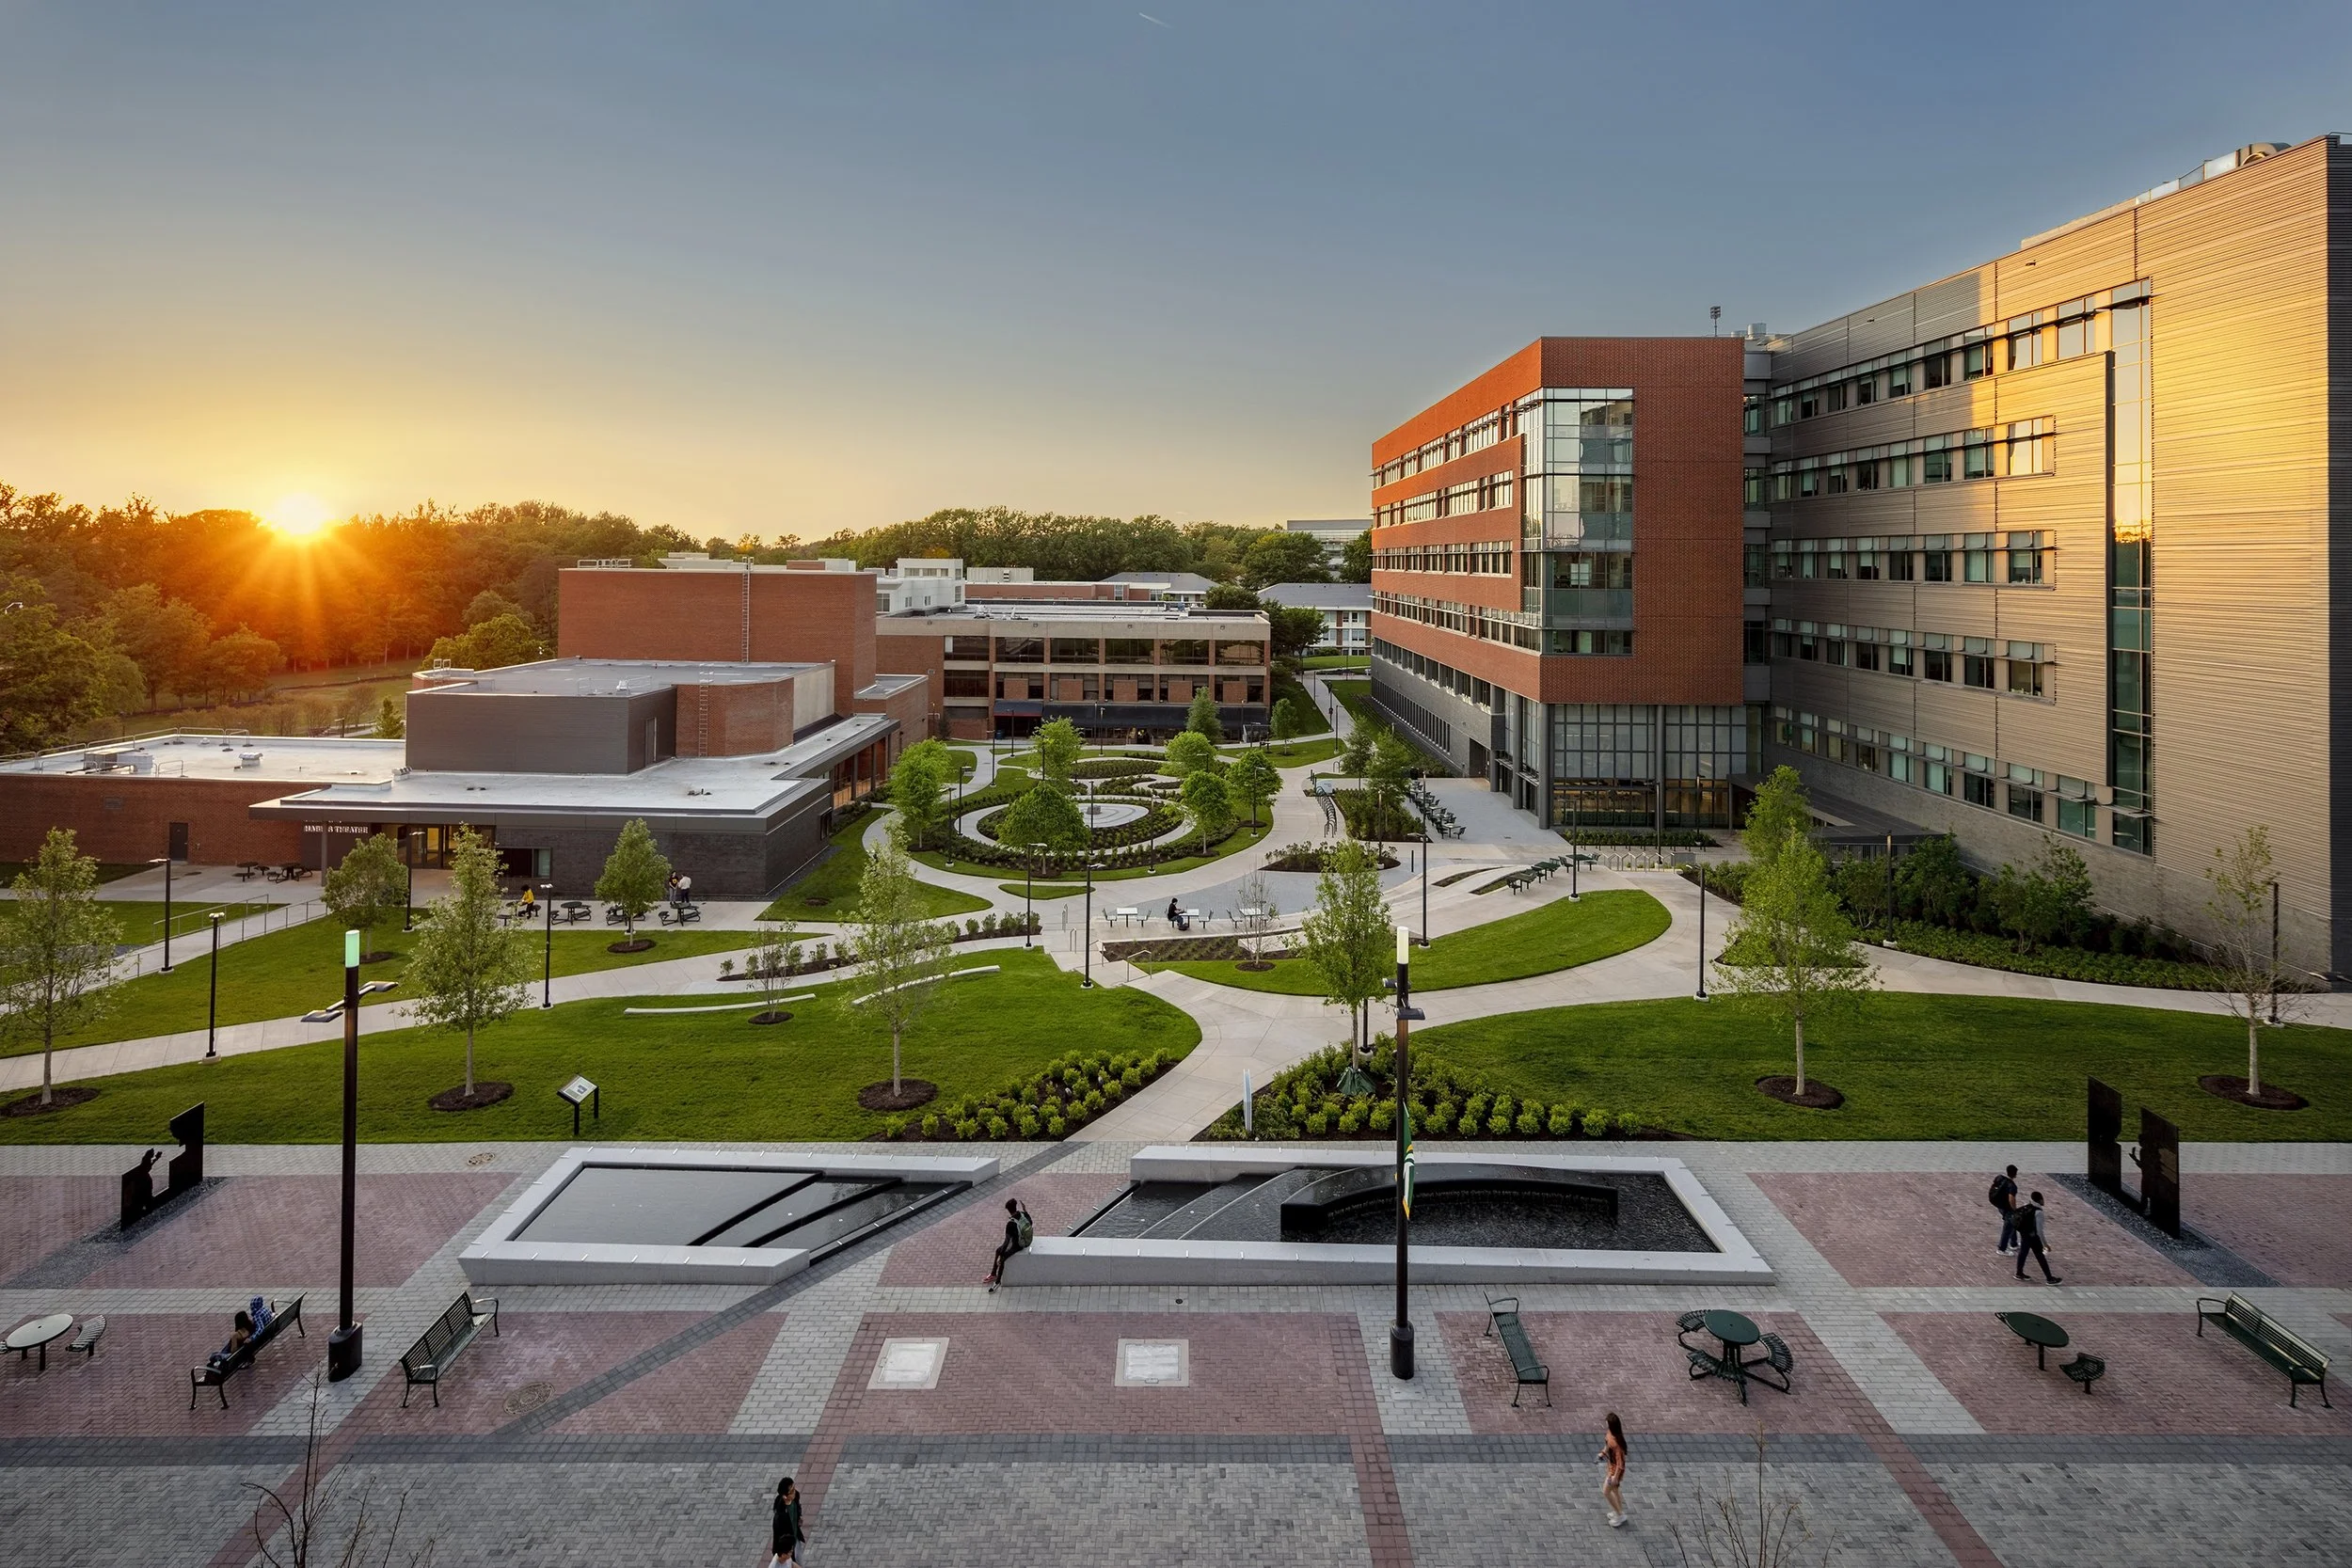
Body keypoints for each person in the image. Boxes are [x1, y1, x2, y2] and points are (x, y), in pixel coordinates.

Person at [2012, 1192, 2061, 1283]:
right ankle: (2049, 1278)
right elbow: (2039, 1231)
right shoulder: (2038, 1212)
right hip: (2033, 1237)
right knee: (2040, 1256)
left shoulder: (2027, 1206)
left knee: (2023, 1253)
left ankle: (2019, 1273)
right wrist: (2045, 1244)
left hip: (2024, 1234)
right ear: (2040, 1200)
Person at [987, 1197, 1034, 1291]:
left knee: (1003, 1255)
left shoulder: (1010, 1224)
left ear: (1008, 1210)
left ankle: (997, 1281)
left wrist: (1001, 1256)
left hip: (1019, 1244)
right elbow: (1031, 1222)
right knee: (999, 1251)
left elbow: (1006, 1242)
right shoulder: (1022, 1214)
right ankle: (993, 1273)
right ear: (1016, 1207)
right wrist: (1025, 1210)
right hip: (1027, 1239)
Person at [1597, 1411, 1629, 1528]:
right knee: (1615, 1490)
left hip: (1615, 1471)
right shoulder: (1610, 1433)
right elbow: (1607, 1444)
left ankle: (1619, 1515)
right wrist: (1603, 1452)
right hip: (1611, 1466)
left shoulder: (1618, 1444)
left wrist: (1615, 1477)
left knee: (1606, 1491)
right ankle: (1618, 1511)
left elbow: (1620, 1464)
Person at [769, 1475, 803, 1567]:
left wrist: (799, 1516)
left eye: (794, 1488)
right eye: (791, 1491)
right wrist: (786, 1552)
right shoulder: (780, 1517)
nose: (794, 1492)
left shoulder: (796, 1496)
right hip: (787, 1546)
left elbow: (798, 1507)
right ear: (785, 1496)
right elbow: (779, 1538)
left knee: (799, 1561)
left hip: (795, 1537)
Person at [1988, 1164, 2021, 1256]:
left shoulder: (2000, 1178)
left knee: (2012, 1223)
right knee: (2008, 1227)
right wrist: (2014, 1209)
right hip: (2007, 1207)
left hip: (2000, 1205)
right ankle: (2002, 1249)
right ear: (2015, 1174)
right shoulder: (2012, 1186)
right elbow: (2011, 1199)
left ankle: (2013, 1243)